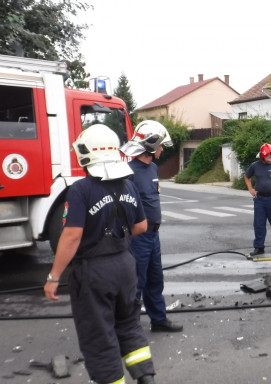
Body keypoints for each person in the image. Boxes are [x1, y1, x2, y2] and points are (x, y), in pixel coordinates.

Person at [44, 124, 156, 384]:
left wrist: (53, 276)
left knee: (99, 335)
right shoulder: (129, 186)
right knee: (128, 325)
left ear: (85, 154)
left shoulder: (81, 189)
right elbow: (141, 226)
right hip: (126, 267)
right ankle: (146, 377)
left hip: (94, 272)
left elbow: (71, 236)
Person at [120, 120, 183, 333]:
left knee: (155, 280)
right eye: (161, 145)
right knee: (136, 282)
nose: (162, 149)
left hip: (153, 236)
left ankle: (158, 320)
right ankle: (129, 326)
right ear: (151, 145)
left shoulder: (153, 167)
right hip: (138, 237)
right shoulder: (128, 172)